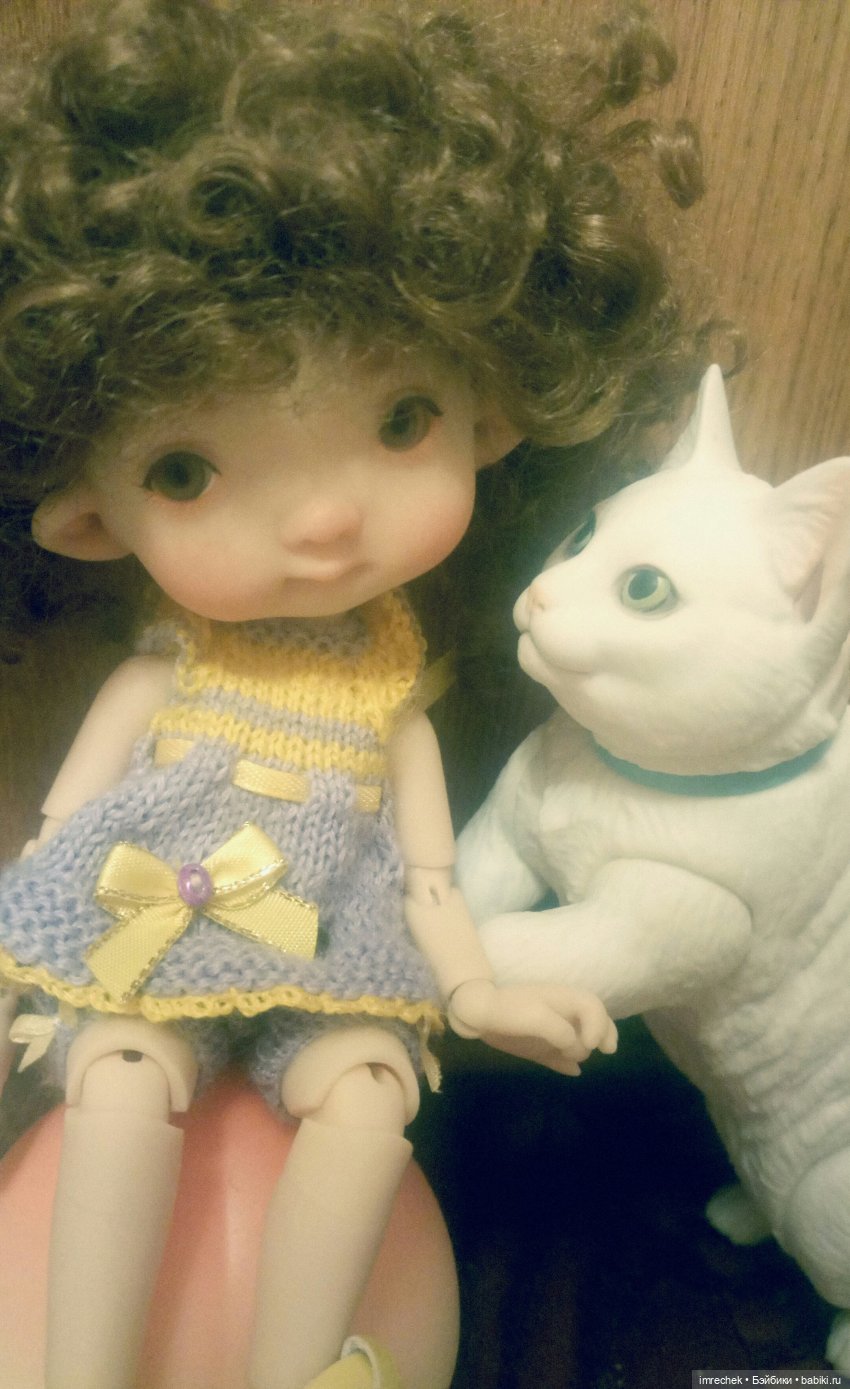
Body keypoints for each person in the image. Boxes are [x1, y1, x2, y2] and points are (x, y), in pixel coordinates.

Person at [0, 2, 706, 1385]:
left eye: (400, 419)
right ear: (88, 521)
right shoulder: (157, 678)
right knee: (120, 1077)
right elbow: (61, 829)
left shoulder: (394, 703)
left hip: (336, 948)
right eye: (188, 470)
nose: (323, 522)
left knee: (373, 1098)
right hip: (149, 931)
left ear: (491, 418)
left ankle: (300, 1368)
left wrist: (477, 991)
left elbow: (428, 875)